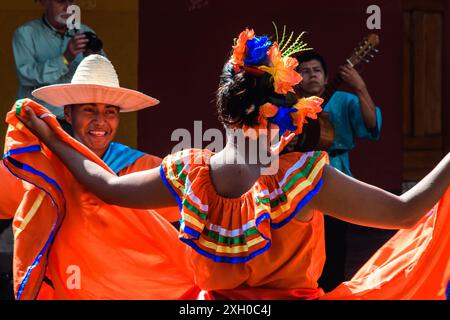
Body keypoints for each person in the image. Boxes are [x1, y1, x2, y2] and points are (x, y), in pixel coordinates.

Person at [7, 28, 450, 300]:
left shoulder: (187, 172)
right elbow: (407, 210)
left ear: (224, 110)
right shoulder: (304, 177)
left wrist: (52, 137)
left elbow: (101, 184)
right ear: (285, 111)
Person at [1, 55, 189, 300]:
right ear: (68, 114)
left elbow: (199, 202)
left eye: (110, 112)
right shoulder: (42, 170)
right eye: (89, 110)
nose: (100, 121)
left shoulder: (142, 167)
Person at [293, 51, 383, 290]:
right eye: (305, 71)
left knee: (333, 245)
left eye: (317, 71)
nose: (311, 75)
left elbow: (371, 125)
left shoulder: (344, 100)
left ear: (326, 78)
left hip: (335, 174)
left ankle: (332, 291)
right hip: (299, 180)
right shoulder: (290, 105)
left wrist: (360, 87)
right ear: (296, 78)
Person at [13, 0, 104, 122]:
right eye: (61, 1)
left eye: (71, 1)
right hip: (38, 119)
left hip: (77, 120)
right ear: (44, 2)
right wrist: (65, 58)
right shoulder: (26, 33)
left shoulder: (85, 32)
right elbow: (27, 76)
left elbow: (103, 78)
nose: (68, 7)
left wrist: (94, 58)